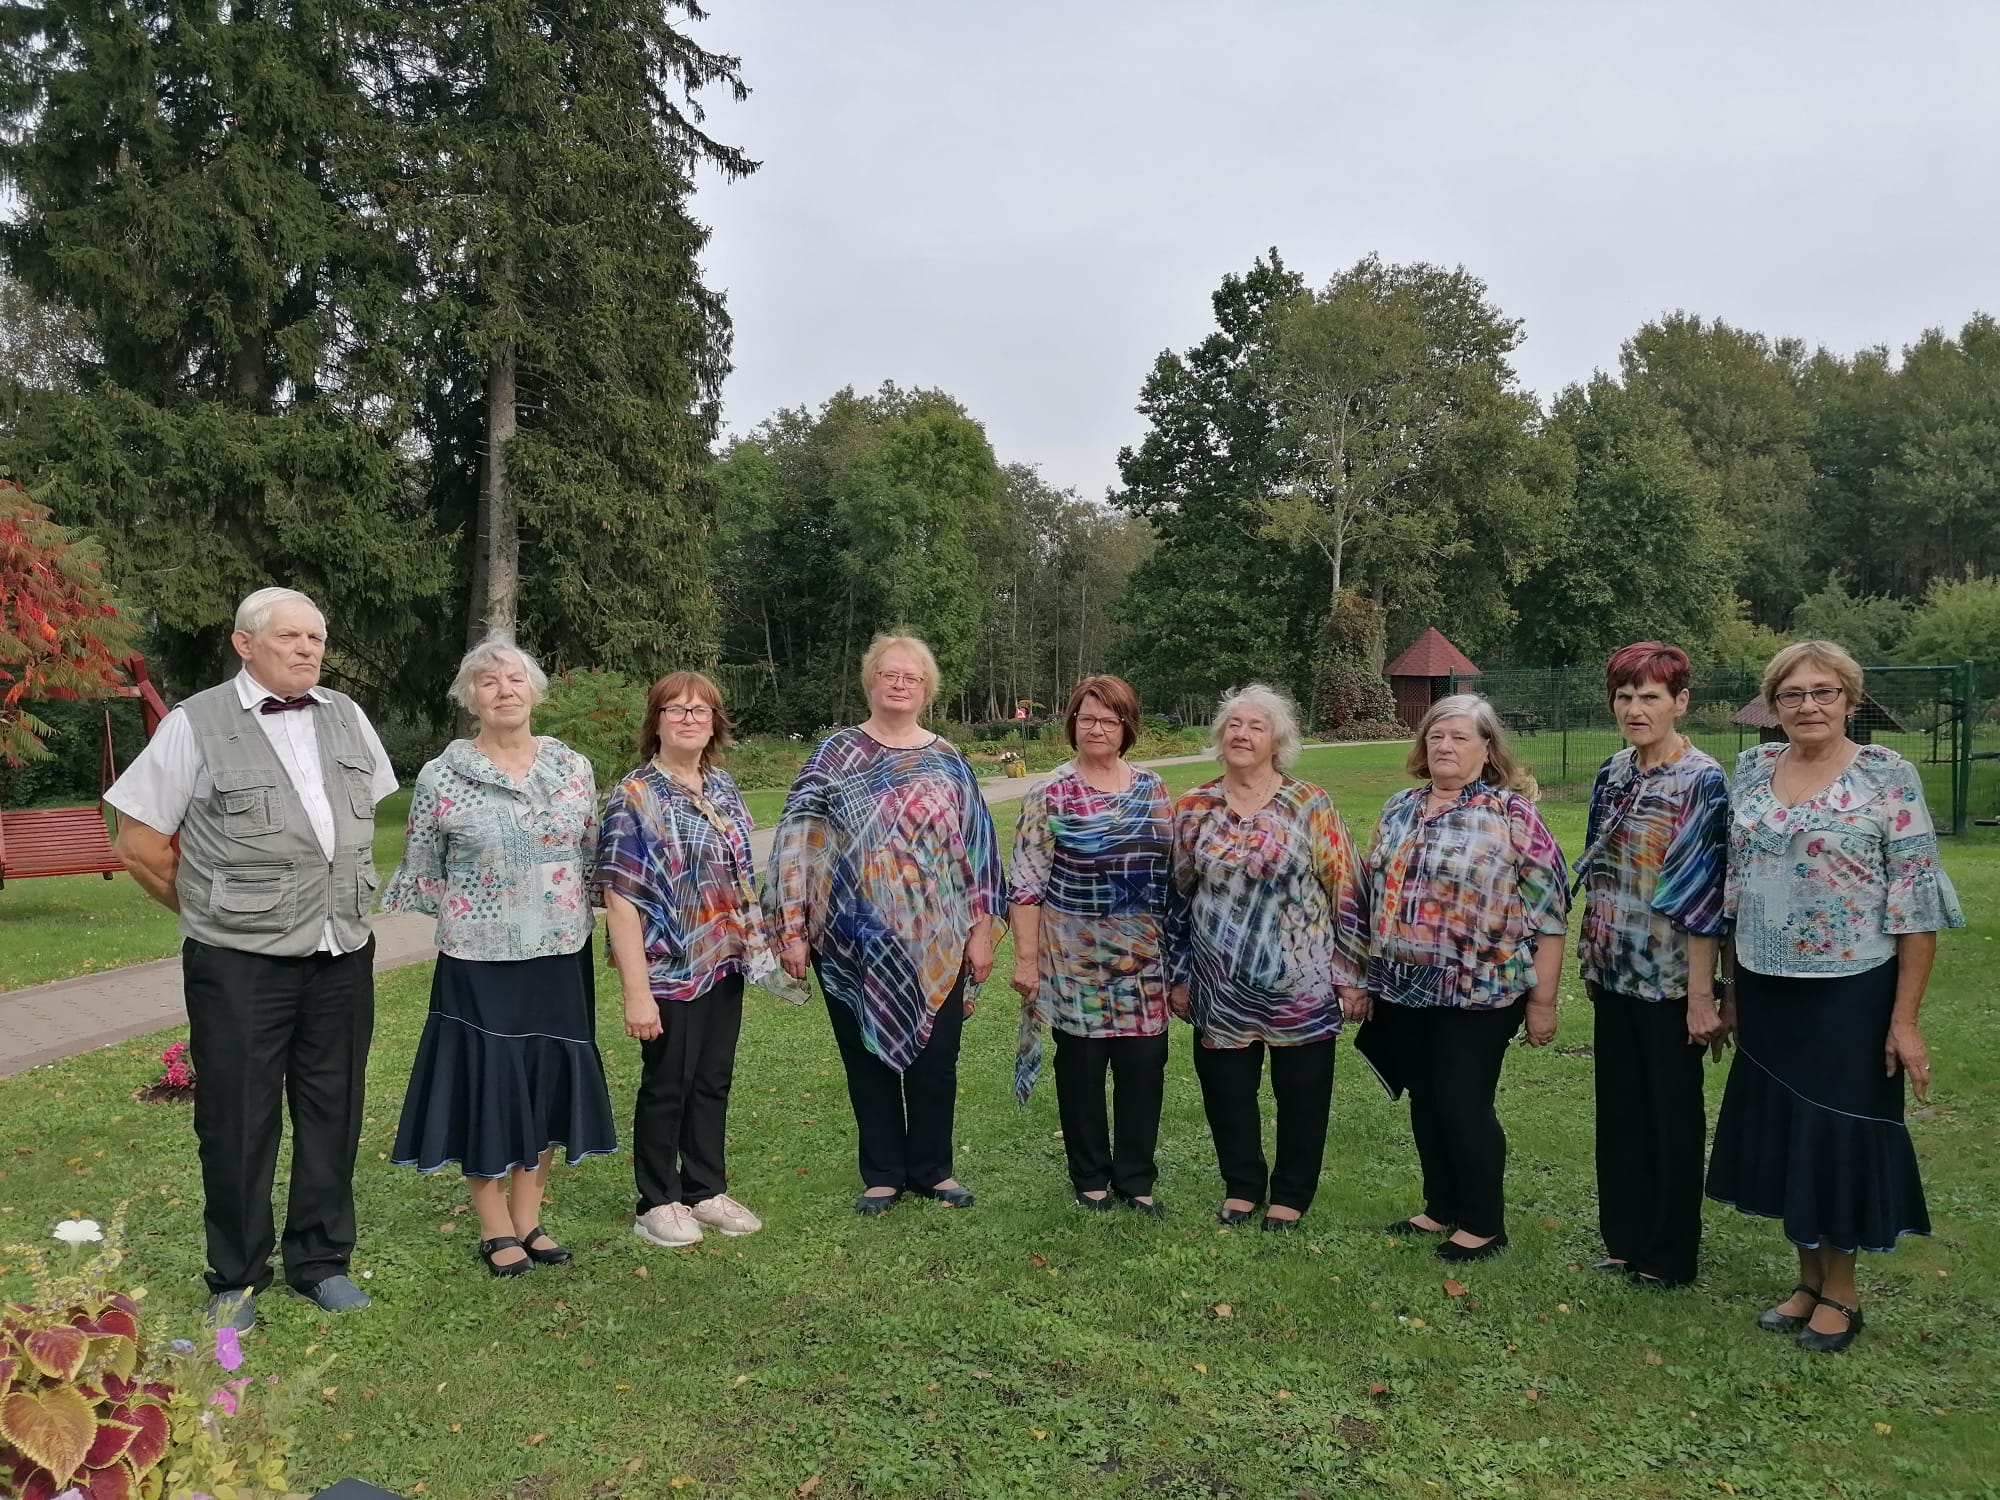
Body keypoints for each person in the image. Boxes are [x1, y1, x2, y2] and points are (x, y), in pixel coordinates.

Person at [108, 587, 397, 1329]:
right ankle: (234, 1278)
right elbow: (138, 845)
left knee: (334, 1109)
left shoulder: (349, 717)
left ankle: (321, 1261)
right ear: (245, 644)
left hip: (341, 952)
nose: (307, 649)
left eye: (316, 638)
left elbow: (360, 818)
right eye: (289, 637)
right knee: (237, 1120)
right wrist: (213, 915)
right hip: (239, 964)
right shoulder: (194, 723)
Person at [1707, 640, 1963, 1352]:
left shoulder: (1887, 775)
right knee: (1790, 1134)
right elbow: (1734, 888)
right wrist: (1730, 988)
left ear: (1850, 699)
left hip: (1851, 990)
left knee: (1838, 1136)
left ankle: (1842, 1294)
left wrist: (1904, 1021)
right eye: (1792, 694)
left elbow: (1915, 903)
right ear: (1774, 705)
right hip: (1766, 987)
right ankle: (1807, 1281)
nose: (1809, 705)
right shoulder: (1753, 770)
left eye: (1824, 691)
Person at [383, 637, 613, 1276]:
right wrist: (490, 907)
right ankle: (494, 1228)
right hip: (478, 961)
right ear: (470, 698)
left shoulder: (572, 768)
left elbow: (590, 855)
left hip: (560, 952)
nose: (504, 689)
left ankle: (529, 1220)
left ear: (534, 691)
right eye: (488, 682)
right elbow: (424, 870)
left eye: (514, 678)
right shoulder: (441, 777)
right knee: (486, 1081)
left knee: (546, 1078)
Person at [765, 634, 1004, 1216]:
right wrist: (791, 928)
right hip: (852, 941)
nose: (900, 684)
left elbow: (978, 848)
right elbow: (796, 841)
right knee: (865, 1059)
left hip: (938, 940)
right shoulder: (834, 755)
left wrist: (980, 931)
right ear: (870, 681)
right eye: (889, 674)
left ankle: (933, 1169)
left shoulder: (948, 759)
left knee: (937, 1060)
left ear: (926, 690)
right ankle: (882, 1174)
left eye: (911, 677)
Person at [1355, 694, 1568, 1263]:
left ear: (1488, 749)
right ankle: (1440, 1206)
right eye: (1436, 736)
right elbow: (1373, 893)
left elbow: (1550, 914)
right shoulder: (1400, 807)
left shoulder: (1511, 813)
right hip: (1402, 987)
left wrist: (1542, 1001)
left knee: (1462, 1102)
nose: (1444, 746)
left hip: (1479, 991)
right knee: (1425, 1099)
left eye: (1459, 737)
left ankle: (1482, 1223)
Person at [597, 671, 796, 1250]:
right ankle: (656, 1201)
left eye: (700, 710)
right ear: (656, 721)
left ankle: (704, 1189)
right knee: (668, 1083)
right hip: (668, 967)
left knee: (711, 1080)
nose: (688, 718)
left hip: (724, 959)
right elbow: (620, 898)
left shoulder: (723, 787)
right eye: (676, 709)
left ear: (714, 724)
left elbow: (737, 874)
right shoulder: (635, 796)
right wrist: (636, 992)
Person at [1165, 684, 1368, 1233]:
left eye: (1256, 726)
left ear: (1277, 741)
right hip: (1219, 985)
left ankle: (1291, 1194)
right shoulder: (1193, 808)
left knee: (1303, 1094)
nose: (1242, 734)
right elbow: (1175, 898)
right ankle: (1242, 1185)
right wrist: (1178, 975)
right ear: (1219, 736)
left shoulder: (1310, 804)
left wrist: (1350, 975)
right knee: (1226, 1092)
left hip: (1301, 984)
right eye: (1233, 724)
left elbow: (1347, 889)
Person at [1573, 643, 1730, 1288]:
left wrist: (1702, 997)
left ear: (1680, 702)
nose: (1635, 709)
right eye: (1625, 696)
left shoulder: (1702, 780)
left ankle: (1669, 1254)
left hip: (1669, 980)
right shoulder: (1614, 772)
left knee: (1670, 1116)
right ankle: (1625, 1240)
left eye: (1650, 697)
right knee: (1620, 1111)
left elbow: (1704, 895)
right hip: (1611, 970)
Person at [1009, 674, 1173, 1216]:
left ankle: (1136, 1178)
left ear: (1127, 727)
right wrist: (1027, 961)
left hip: (1144, 960)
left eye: (1108, 719)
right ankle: (1090, 1178)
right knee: (1081, 1069)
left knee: (1144, 1066)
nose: (1096, 728)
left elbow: (1172, 872)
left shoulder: (1153, 788)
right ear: (1072, 724)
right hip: (1073, 960)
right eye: (1086, 718)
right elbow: (1026, 884)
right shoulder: (1050, 793)